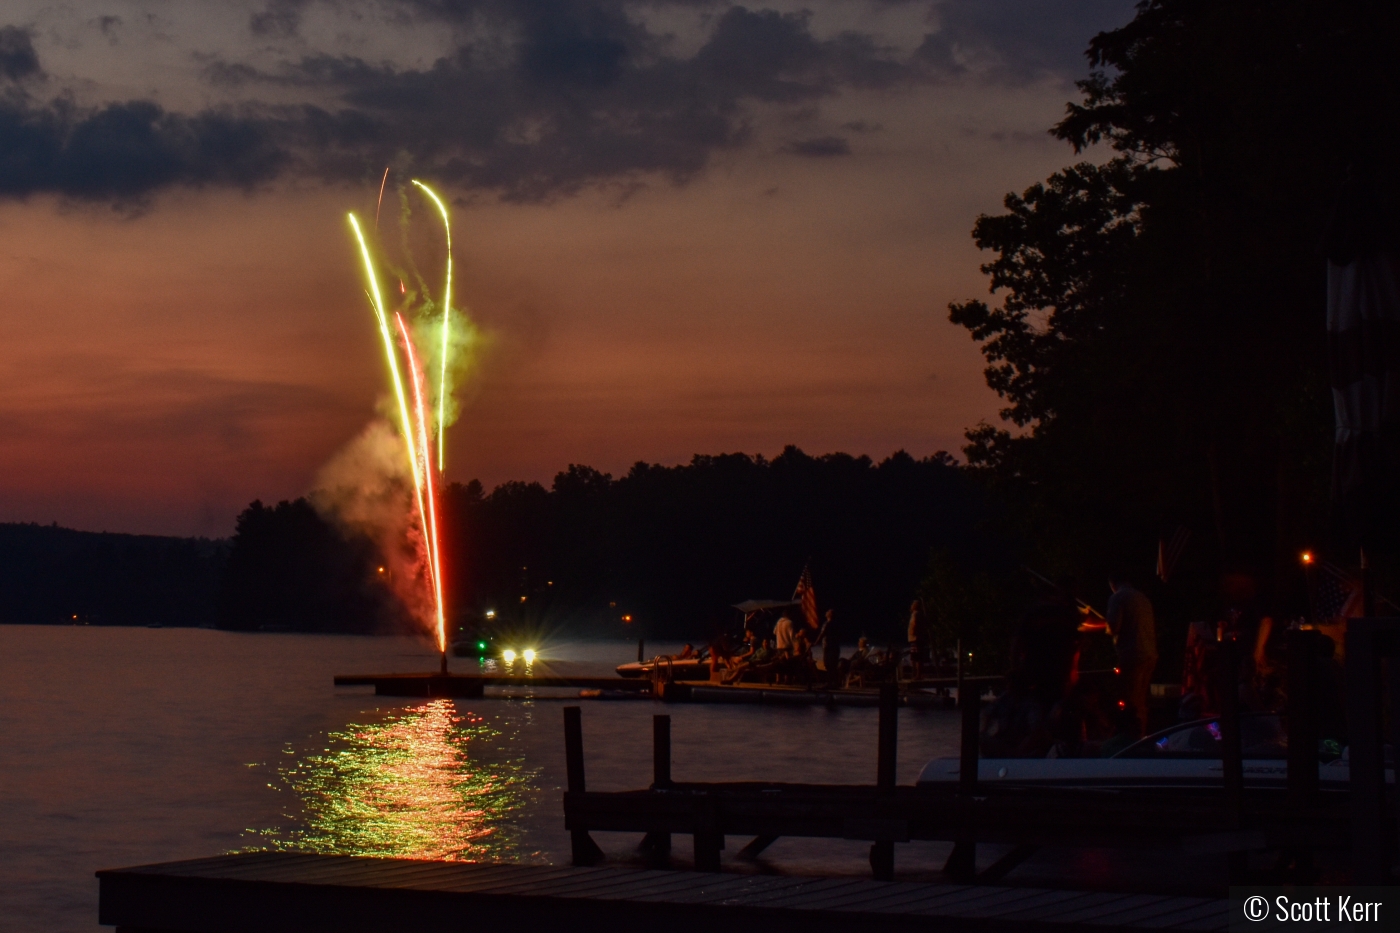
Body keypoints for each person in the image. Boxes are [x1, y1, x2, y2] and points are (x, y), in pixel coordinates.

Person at [1106, 569, 1157, 735]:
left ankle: (1130, 738)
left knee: (1129, 700)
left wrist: (1104, 626)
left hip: (1132, 654)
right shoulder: (1142, 598)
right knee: (1141, 700)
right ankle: (1142, 734)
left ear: (1113, 583)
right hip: (1149, 653)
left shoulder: (1118, 598)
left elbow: (1114, 627)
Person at [907, 600, 930, 680]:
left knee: (916, 658)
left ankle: (917, 675)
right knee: (918, 657)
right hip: (919, 638)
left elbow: (914, 623)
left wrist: (912, 632)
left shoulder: (915, 614)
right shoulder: (921, 614)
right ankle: (918, 674)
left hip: (915, 638)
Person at [818, 609, 841, 687]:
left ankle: (829, 683)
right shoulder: (837, 624)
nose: (825, 612)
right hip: (835, 647)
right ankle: (835, 683)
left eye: (827, 612)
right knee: (833, 666)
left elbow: (822, 634)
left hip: (828, 647)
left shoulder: (827, 624)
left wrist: (815, 642)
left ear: (830, 615)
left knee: (828, 665)